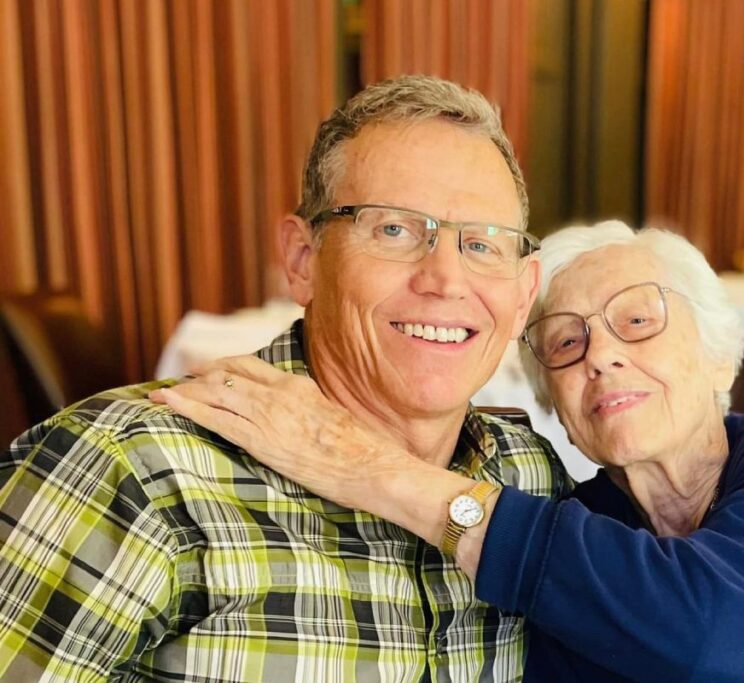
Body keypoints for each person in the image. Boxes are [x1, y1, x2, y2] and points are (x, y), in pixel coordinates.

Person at [160, 221, 744, 681]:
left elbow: (727, 630)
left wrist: (371, 469)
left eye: (637, 320)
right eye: (566, 342)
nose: (599, 355)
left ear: (717, 352)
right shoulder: (584, 531)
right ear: (560, 406)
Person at [0, 76, 571, 681]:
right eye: (394, 230)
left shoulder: (530, 483)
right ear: (303, 261)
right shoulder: (135, 472)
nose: (446, 280)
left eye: (482, 245)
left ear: (522, 296)